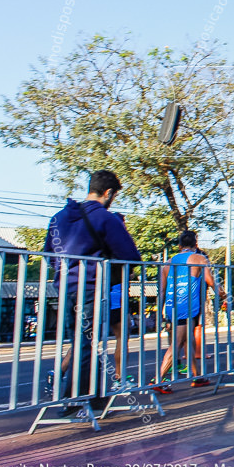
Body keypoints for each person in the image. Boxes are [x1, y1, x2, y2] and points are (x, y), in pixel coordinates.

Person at [43, 170, 141, 401]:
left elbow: (49, 254)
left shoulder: (59, 217)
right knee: (86, 343)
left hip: (65, 287)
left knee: (80, 341)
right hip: (91, 287)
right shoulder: (105, 218)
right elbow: (130, 255)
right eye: (114, 195)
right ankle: (80, 399)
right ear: (108, 193)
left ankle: (85, 396)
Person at [156, 231, 226, 390]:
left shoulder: (168, 262)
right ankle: (159, 380)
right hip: (187, 306)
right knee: (178, 344)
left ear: (180, 246)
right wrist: (224, 296)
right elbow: (211, 282)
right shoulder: (200, 259)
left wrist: (161, 312)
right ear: (196, 244)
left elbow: (161, 290)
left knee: (190, 342)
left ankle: (198, 376)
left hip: (171, 306)